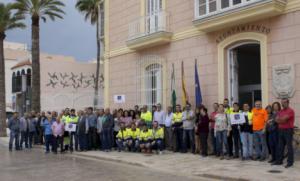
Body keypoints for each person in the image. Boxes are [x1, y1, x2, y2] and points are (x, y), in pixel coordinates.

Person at [274, 98, 295, 168]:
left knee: (289, 147)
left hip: (288, 130)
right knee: (280, 146)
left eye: (284, 102)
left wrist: (280, 120)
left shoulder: (290, 111)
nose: (282, 104)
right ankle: (279, 161)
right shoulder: (280, 111)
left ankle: (290, 162)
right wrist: (281, 120)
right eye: (282, 102)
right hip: (281, 130)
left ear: (288, 103)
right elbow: (276, 120)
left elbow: (282, 120)